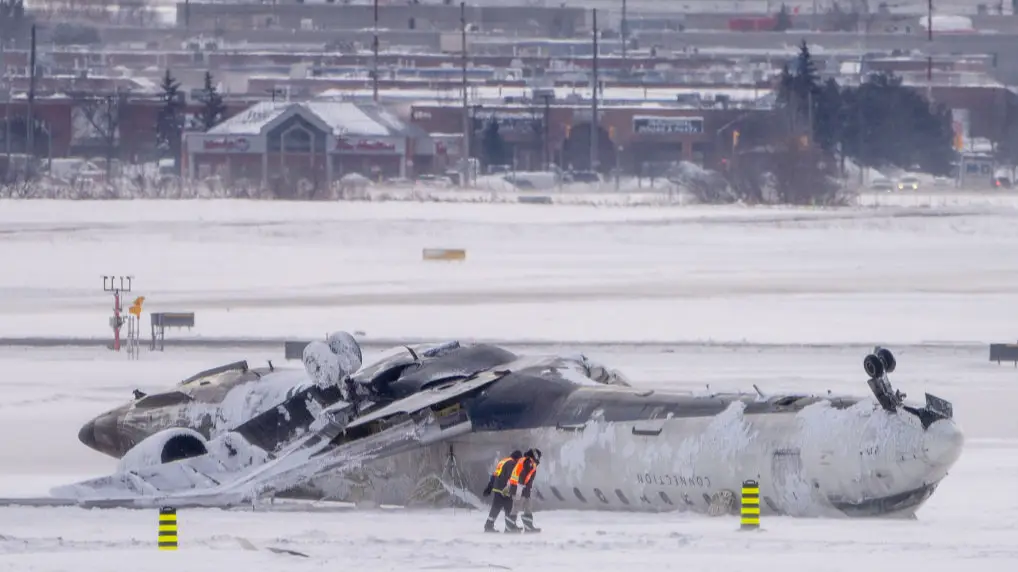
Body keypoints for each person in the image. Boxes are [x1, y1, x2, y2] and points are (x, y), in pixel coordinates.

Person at [482, 450, 523, 533]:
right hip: (505, 489)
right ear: (517, 458)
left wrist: (490, 487)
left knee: (497, 508)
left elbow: (494, 475)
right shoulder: (512, 463)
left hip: (497, 488)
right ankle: (509, 527)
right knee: (509, 508)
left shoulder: (503, 461)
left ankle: (490, 525)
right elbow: (511, 478)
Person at [507, 448, 542, 533]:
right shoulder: (527, 461)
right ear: (535, 455)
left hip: (524, 489)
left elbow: (527, 477)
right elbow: (522, 475)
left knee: (528, 507)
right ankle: (510, 527)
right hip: (518, 488)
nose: (539, 458)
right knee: (516, 507)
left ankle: (528, 526)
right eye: (538, 456)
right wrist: (519, 489)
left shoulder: (529, 462)